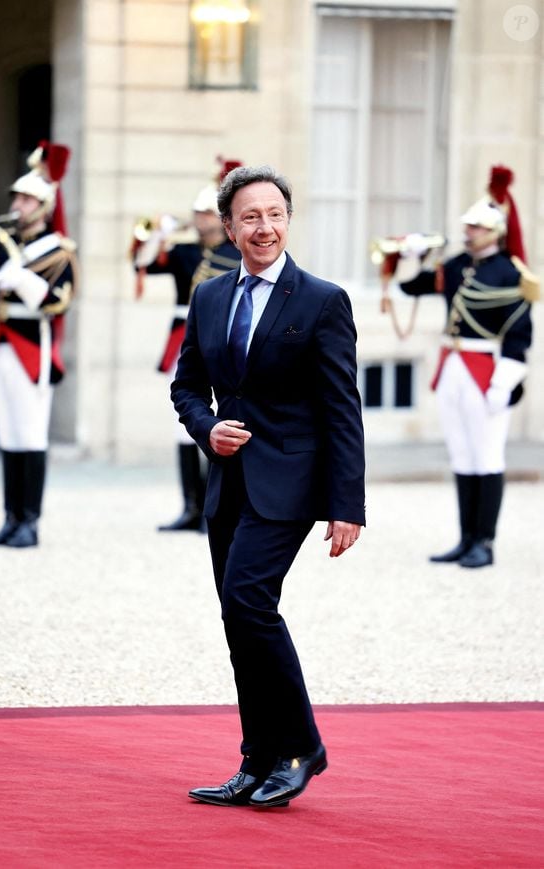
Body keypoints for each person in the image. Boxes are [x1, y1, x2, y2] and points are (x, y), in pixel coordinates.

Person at [171, 164, 366, 808]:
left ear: (288, 220)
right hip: (228, 482)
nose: (265, 227)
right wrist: (208, 430)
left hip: (292, 482)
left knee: (249, 600)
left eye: (275, 214)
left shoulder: (322, 300)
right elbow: (187, 388)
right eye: (251, 217)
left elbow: (343, 408)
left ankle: (301, 748)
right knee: (237, 614)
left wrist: (346, 504)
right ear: (229, 227)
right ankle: (257, 759)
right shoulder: (209, 297)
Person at [391, 165, 537, 569]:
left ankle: (484, 542)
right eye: (468, 226)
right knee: (461, 455)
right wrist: (411, 257)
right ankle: (465, 538)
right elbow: (410, 287)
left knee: (487, 456)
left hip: (487, 369)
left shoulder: (510, 272)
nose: (468, 232)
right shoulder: (457, 264)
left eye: (475, 227)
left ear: (494, 231)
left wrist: (504, 383)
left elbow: (520, 334)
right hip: (453, 365)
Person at [0, 140, 77, 548]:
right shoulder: (1, 244)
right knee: (8, 435)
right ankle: (10, 518)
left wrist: (22, 279)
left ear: (45, 207)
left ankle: (30, 521)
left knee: (30, 435)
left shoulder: (59, 251)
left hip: (32, 345)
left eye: (29, 200)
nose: (20, 205)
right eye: (18, 198)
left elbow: (59, 299)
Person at [132, 158, 242, 532]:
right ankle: (191, 506)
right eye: (197, 214)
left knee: (218, 424)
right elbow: (140, 263)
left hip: (221, 338)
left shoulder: (235, 255)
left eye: (207, 214)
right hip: (182, 337)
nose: (200, 221)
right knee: (184, 426)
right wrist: (157, 236)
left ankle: (216, 509)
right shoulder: (183, 252)